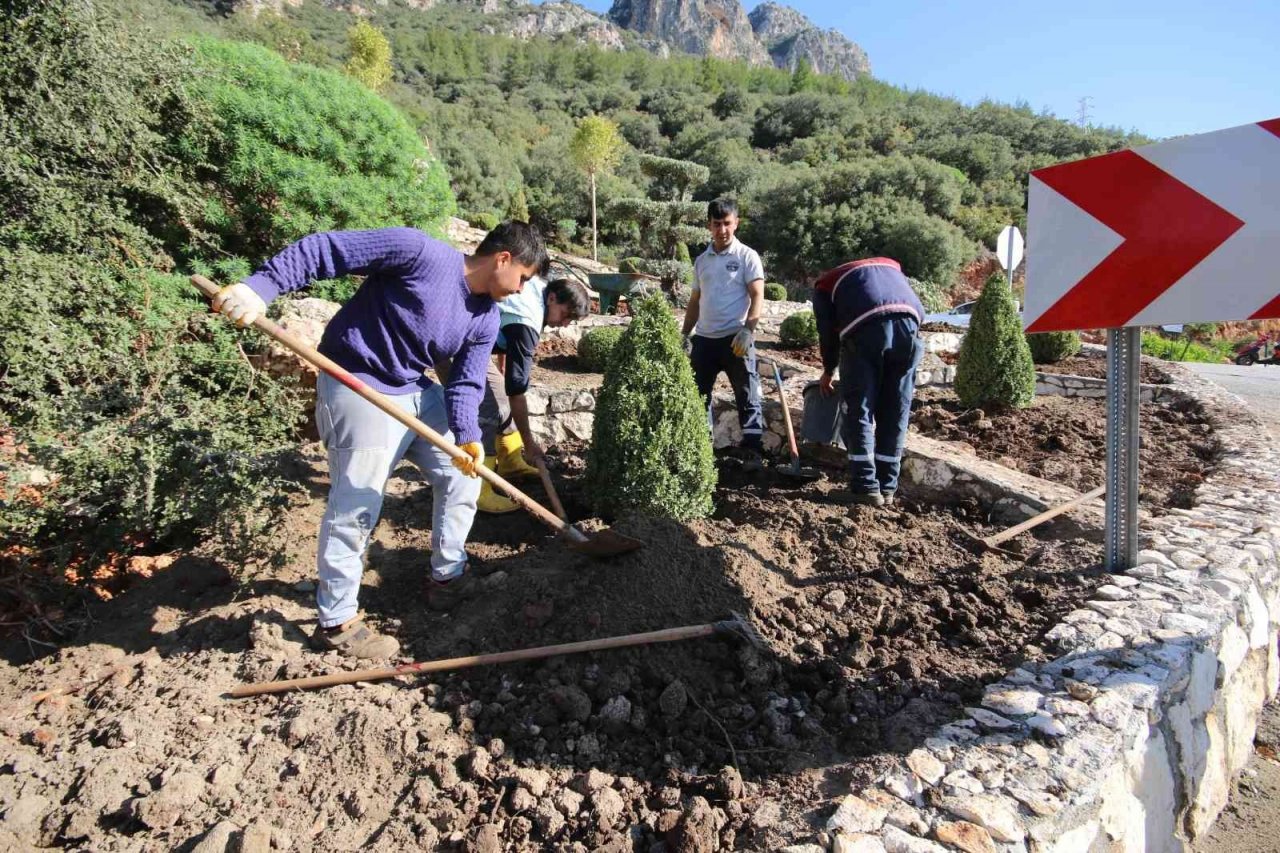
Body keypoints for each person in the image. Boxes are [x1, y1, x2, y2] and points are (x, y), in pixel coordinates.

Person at [212, 223, 548, 658]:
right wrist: (259, 288)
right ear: (503, 258)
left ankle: (447, 577)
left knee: (464, 478)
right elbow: (325, 249)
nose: (521, 290)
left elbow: (466, 383)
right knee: (358, 502)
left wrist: (467, 436)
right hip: (357, 381)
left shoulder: (485, 317)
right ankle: (336, 622)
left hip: (414, 388)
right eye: (523, 278)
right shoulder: (418, 252)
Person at [459, 275, 592, 513]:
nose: (564, 324)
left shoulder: (541, 288)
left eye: (571, 320)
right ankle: (478, 490)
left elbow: (505, 318)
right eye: (565, 315)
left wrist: (504, 362)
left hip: (477, 340)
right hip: (457, 342)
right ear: (552, 298)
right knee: (487, 407)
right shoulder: (527, 322)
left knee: (502, 400)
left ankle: (509, 463)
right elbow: (517, 392)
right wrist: (529, 444)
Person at [812, 257, 924, 507]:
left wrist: (828, 370)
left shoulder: (825, 286)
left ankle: (865, 486)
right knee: (895, 408)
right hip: (910, 327)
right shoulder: (891, 268)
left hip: (866, 330)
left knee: (858, 407)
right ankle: (887, 486)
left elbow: (827, 332)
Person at [682, 198, 766, 467]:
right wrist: (684, 334)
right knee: (698, 395)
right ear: (709, 225)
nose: (722, 230)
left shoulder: (747, 256)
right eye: (717, 224)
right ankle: (701, 449)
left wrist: (748, 330)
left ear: (736, 223)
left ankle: (753, 450)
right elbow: (695, 301)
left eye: (727, 223)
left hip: (735, 339)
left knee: (747, 393)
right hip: (704, 340)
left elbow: (757, 296)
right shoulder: (701, 261)